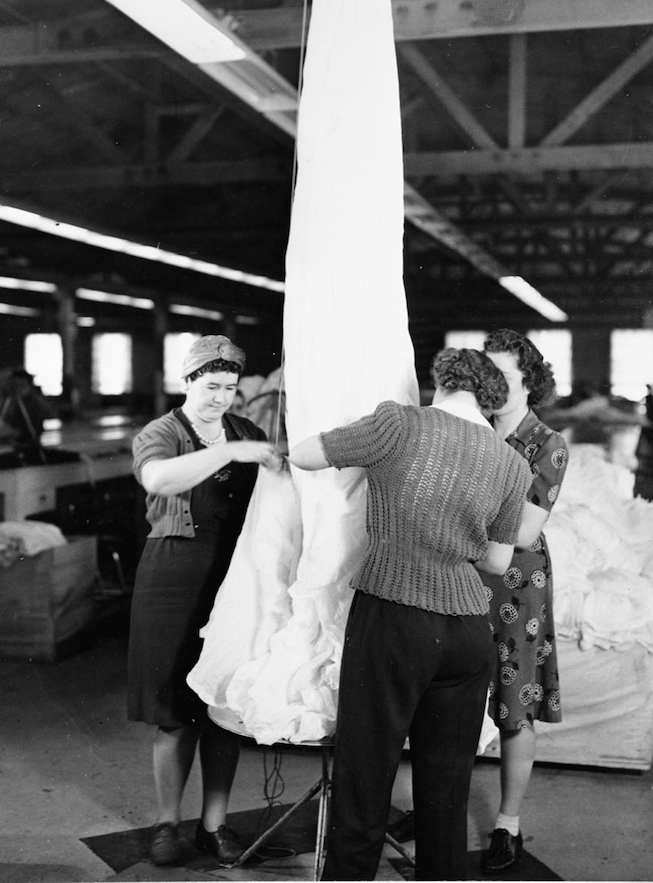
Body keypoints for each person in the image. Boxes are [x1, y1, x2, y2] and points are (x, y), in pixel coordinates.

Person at [289, 348, 532, 881]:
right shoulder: (512, 463)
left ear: (440, 380)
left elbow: (305, 454)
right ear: (489, 398)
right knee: (446, 792)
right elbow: (496, 559)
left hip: (395, 616)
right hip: (468, 631)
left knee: (365, 775)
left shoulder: (400, 423)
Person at [127, 334, 284, 867]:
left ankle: (213, 824)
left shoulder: (249, 430)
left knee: (223, 706)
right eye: (211, 385)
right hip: (172, 578)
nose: (221, 397)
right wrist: (232, 451)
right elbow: (158, 478)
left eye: (230, 388)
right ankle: (167, 822)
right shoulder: (162, 433)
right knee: (173, 711)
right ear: (187, 381)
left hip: (235, 578)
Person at [480, 328, 569, 874]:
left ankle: (507, 825)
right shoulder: (471, 432)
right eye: (485, 375)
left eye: (505, 376)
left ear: (529, 380)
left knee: (514, 705)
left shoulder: (548, 444)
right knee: (451, 694)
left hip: (517, 583)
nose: (492, 386)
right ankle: (432, 806)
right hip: (464, 575)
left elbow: (522, 528)